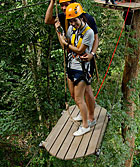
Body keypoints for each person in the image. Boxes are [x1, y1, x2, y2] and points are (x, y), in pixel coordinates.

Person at [45, 0, 98, 126]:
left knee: (87, 90)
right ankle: (83, 111)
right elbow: (48, 20)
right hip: (72, 59)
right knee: (75, 94)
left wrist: (92, 54)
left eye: (66, 4)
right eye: (61, 5)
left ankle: (90, 117)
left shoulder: (87, 18)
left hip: (85, 59)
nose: (63, 8)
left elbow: (95, 38)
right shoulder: (65, 17)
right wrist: (52, 3)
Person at [57, 3, 94, 136]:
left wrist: (67, 45)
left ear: (82, 17)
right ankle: (83, 115)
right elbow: (64, 44)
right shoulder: (71, 30)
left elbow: (79, 50)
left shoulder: (89, 32)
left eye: (75, 20)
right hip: (71, 66)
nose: (73, 23)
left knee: (79, 99)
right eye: (71, 21)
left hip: (81, 69)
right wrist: (59, 32)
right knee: (74, 96)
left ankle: (86, 125)